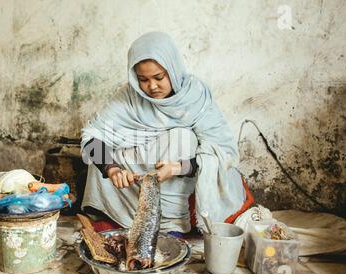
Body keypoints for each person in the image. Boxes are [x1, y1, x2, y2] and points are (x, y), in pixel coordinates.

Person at [80, 31, 252, 237]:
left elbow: (223, 152)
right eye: (143, 79)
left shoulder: (195, 96)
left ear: (173, 68)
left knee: (182, 137)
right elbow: (91, 137)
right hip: (132, 182)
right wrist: (113, 170)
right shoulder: (129, 98)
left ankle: (172, 224)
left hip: (178, 176)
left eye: (159, 77)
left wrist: (178, 167)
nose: (152, 87)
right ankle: (119, 217)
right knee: (100, 151)